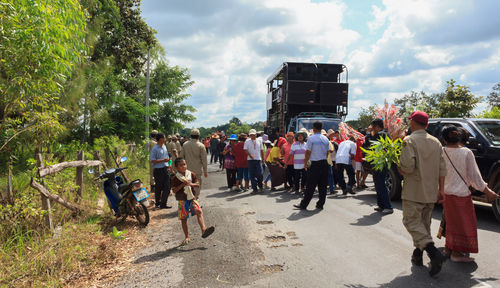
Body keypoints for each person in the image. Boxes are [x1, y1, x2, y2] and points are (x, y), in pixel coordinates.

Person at [398, 111, 447, 276]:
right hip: (431, 190)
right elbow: (442, 169)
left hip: (414, 190)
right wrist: (441, 190)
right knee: (424, 225)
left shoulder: (409, 140)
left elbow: (407, 168)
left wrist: (399, 166)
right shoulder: (436, 142)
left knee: (411, 221)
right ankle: (417, 255)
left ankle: (434, 253)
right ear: (426, 125)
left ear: (412, 123)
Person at [440, 126, 499, 262]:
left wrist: (440, 190)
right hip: (461, 194)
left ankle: (448, 249)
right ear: (459, 137)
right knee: (463, 224)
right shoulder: (466, 153)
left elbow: (439, 173)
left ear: (444, 139)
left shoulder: (442, 151)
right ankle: (456, 254)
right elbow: (475, 177)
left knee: (451, 223)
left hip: (447, 193)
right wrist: (488, 192)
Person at [171, 157, 215, 246]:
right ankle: (187, 236)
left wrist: (191, 184)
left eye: (184, 164)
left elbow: (197, 184)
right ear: (176, 168)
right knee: (184, 219)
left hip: (192, 198)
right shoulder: (176, 178)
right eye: (181, 165)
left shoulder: (191, 174)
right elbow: (174, 191)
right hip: (182, 200)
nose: (183, 166)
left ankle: (203, 230)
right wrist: (182, 185)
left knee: (198, 211)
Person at [293, 121, 330, 210]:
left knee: (310, 185)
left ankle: (303, 205)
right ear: (321, 128)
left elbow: (308, 152)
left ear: (313, 128)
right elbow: (328, 152)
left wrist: (305, 163)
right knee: (322, 185)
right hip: (324, 163)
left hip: (315, 164)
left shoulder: (311, 138)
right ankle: (320, 204)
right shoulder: (326, 139)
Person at [366, 119, 393, 213]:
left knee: (380, 184)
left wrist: (368, 133)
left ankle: (387, 206)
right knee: (379, 184)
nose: (372, 128)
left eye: (373, 126)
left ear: (376, 126)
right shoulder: (386, 133)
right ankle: (381, 205)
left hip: (379, 162)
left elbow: (369, 143)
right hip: (382, 161)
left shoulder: (379, 134)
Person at [179, 129, 208, 198]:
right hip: (197, 171)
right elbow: (204, 159)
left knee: (187, 187)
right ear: (198, 136)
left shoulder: (185, 145)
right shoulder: (201, 146)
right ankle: (195, 203)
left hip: (186, 171)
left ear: (191, 136)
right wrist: (205, 171)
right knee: (196, 187)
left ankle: (189, 204)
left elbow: (181, 158)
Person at [150, 133, 172, 209]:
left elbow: (167, 158)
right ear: (160, 139)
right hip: (158, 170)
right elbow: (152, 160)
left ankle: (163, 203)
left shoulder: (164, 146)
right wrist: (163, 160)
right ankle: (158, 203)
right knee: (158, 188)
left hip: (165, 169)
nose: (165, 139)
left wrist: (169, 164)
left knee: (167, 187)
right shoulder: (155, 148)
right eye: (164, 138)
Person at [244, 129, 264, 193]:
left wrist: (263, 159)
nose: (252, 136)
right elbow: (245, 150)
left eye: (253, 135)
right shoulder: (247, 141)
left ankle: (260, 186)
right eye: (251, 135)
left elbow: (261, 150)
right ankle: (254, 189)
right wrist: (250, 155)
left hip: (258, 159)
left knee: (260, 174)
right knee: (252, 175)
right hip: (250, 160)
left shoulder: (259, 141)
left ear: (256, 134)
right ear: (249, 135)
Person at [147, 130, 158, 197]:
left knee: (152, 172)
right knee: (154, 173)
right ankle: (153, 187)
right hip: (155, 160)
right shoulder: (154, 143)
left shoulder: (150, 142)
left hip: (151, 159)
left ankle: (152, 186)